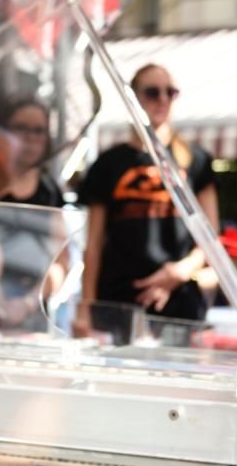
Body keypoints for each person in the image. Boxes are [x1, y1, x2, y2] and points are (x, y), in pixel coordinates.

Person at [75, 63, 219, 334]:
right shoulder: (109, 163)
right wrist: (87, 306)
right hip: (119, 297)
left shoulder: (196, 159)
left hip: (180, 298)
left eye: (170, 92)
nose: (162, 99)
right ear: (134, 99)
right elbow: (92, 244)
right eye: (152, 92)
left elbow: (210, 238)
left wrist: (180, 271)